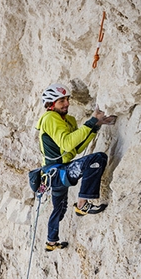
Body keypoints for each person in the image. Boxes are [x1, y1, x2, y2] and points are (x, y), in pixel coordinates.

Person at [36, 83, 116, 252]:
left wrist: (95, 127)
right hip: (57, 172)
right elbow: (67, 144)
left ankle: (51, 242)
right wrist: (92, 120)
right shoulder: (50, 118)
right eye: (61, 101)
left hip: (55, 174)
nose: (66, 103)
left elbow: (76, 148)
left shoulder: (68, 120)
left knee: (59, 209)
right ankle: (82, 204)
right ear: (51, 105)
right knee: (98, 159)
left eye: (67, 99)